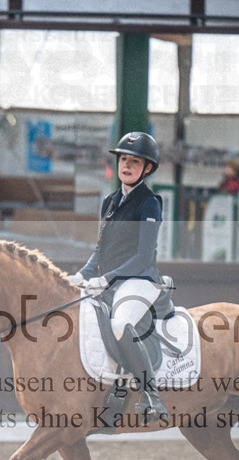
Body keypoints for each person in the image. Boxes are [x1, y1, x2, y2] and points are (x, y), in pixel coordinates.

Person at [68, 131, 168, 424]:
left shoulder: (150, 203)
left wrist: (108, 278)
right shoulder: (110, 202)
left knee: (121, 323)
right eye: (123, 159)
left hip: (141, 280)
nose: (126, 165)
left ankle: (152, 396)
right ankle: (113, 392)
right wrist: (81, 275)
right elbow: (100, 250)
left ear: (147, 168)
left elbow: (142, 256)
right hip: (110, 280)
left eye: (134, 162)